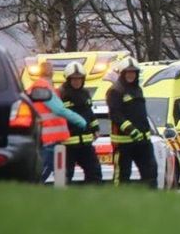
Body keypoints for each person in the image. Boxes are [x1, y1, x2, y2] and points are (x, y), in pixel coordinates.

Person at [28, 61, 86, 183]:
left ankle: (60, 197)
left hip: (44, 138)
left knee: (60, 174)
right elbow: (59, 109)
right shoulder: (43, 88)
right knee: (42, 173)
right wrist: (81, 121)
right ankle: (29, 193)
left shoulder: (34, 88)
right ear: (51, 73)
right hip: (49, 140)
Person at [106, 57, 158, 188]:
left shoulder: (137, 89)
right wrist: (131, 130)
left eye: (133, 72)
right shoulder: (115, 91)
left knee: (151, 173)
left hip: (143, 142)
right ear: (122, 73)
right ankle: (119, 204)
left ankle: (152, 202)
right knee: (122, 176)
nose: (131, 75)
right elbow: (115, 114)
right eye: (128, 72)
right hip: (124, 143)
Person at [59, 63, 102, 184]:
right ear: (68, 80)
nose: (77, 81)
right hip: (68, 144)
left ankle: (93, 199)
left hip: (86, 144)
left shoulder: (85, 93)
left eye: (79, 79)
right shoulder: (61, 95)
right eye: (74, 79)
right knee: (64, 176)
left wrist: (96, 128)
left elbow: (89, 113)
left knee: (94, 173)